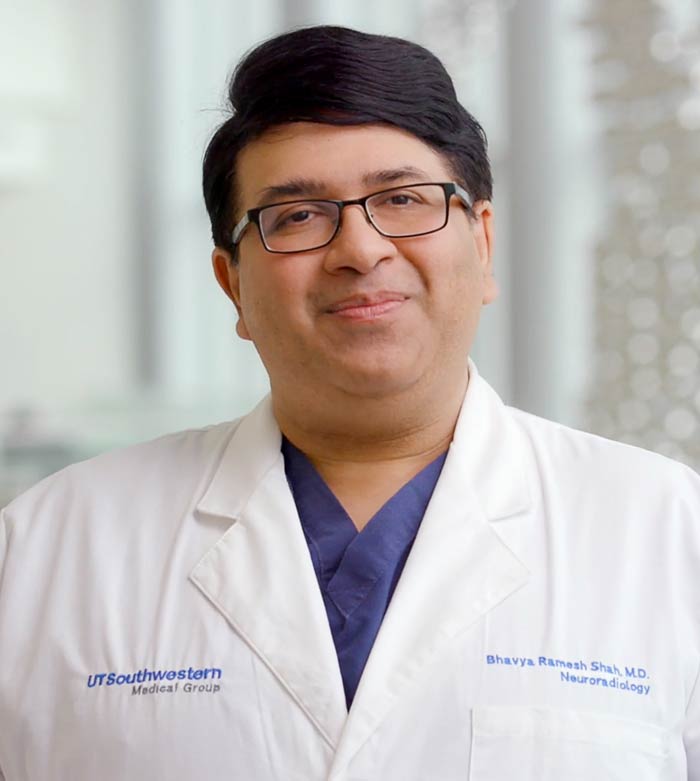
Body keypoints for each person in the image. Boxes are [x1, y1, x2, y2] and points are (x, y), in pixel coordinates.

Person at [1, 24, 699, 781]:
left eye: (403, 199)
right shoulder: (48, 549)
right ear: (232, 283)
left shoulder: (666, 534)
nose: (361, 250)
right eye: (297, 216)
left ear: (484, 243)